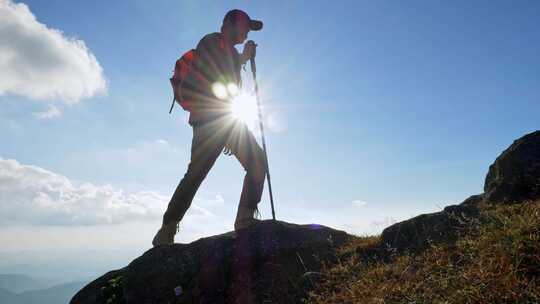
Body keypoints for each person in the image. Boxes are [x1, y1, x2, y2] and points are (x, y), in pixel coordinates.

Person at [152, 9, 267, 246]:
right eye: (245, 27)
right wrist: (243, 58)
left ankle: (244, 219)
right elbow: (219, 75)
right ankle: (167, 229)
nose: (247, 33)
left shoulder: (228, 51)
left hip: (223, 120)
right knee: (197, 173)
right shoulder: (212, 42)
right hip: (210, 120)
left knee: (254, 162)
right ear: (230, 25)